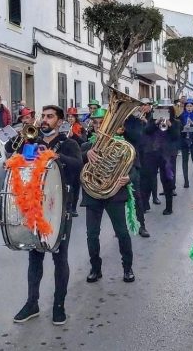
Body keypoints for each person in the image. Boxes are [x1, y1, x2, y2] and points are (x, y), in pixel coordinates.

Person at [12, 105, 82, 326]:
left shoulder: (69, 144)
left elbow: (78, 166)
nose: (44, 120)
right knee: (35, 257)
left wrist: (55, 156)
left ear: (59, 122)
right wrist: (23, 135)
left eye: (50, 117)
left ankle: (58, 306)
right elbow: (10, 152)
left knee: (59, 258)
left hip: (61, 208)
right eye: (43, 116)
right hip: (35, 209)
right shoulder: (32, 141)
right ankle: (32, 303)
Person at [81, 108, 136, 283]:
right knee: (92, 234)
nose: (98, 126)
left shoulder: (123, 146)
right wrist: (85, 155)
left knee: (122, 233)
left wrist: (128, 178)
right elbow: (75, 168)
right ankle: (95, 269)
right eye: (95, 123)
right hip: (92, 196)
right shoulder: (86, 146)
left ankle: (128, 268)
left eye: (101, 123)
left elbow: (137, 170)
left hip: (115, 195)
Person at [141, 104, 180, 215]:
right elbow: (146, 131)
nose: (163, 112)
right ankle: (144, 204)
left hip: (167, 155)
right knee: (147, 179)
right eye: (161, 110)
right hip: (152, 153)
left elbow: (176, 136)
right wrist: (156, 122)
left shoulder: (176, 122)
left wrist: (170, 125)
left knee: (167, 180)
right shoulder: (152, 120)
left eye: (166, 110)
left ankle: (169, 207)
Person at [123, 108, 151, 237]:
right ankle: (121, 229)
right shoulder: (111, 121)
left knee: (136, 196)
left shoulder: (135, 121)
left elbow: (138, 137)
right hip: (114, 162)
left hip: (132, 162)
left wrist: (124, 129)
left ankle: (142, 225)